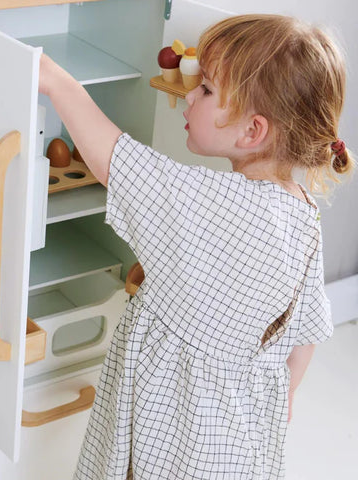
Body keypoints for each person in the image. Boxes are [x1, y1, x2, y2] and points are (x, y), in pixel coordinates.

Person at [38, 13, 354, 480]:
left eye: (205, 89)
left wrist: (56, 82)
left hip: (172, 420)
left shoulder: (220, 201)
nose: (188, 95)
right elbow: (305, 334)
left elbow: (117, 163)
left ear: (253, 131)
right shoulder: (304, 213)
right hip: (236, 434)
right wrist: (283, 395)